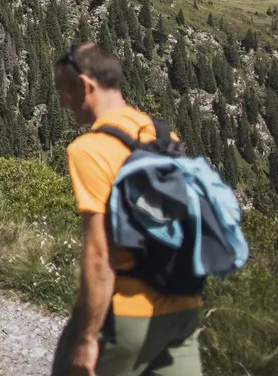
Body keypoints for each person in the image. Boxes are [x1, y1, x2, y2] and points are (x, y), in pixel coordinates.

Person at [51, 43, 202, 376]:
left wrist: (87, 337)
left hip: (125, 315)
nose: (63, 101)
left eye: (64, 90)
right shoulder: (162, 134)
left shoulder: (89, 149)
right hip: (183, 308)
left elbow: (99, 257)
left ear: (85, 86)